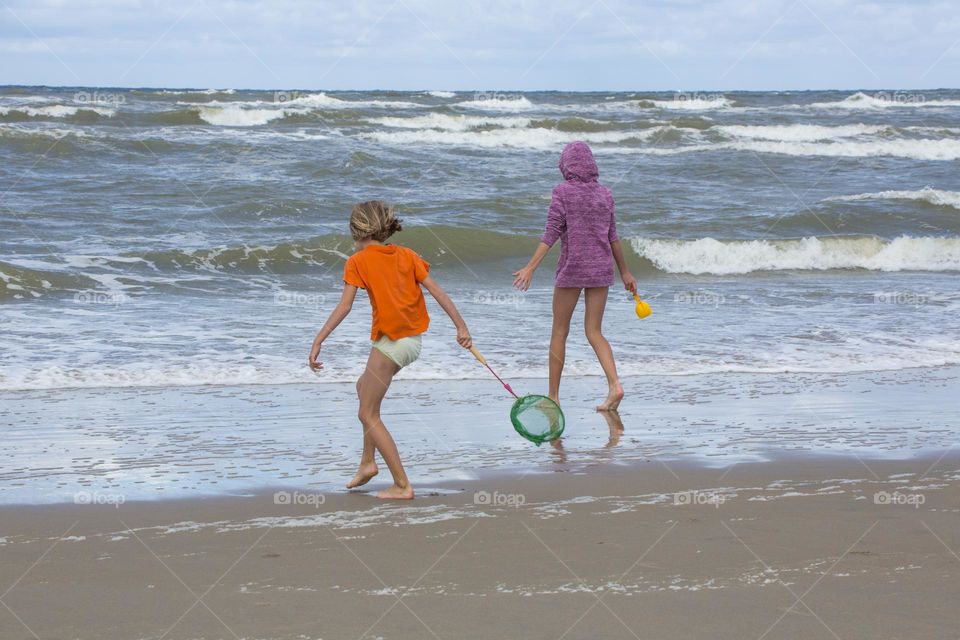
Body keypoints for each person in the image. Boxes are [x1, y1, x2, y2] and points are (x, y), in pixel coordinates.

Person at [309, 201, 472, 499]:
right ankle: (367, 462)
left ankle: (401, 484)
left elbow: (345, 306)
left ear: (355, 230)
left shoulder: (357, 261)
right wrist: (461, 327)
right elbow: (437, 290)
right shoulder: (407, 255)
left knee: (367, 413)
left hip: (394, 343)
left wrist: (319, 339)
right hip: (408, 341)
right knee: (363, 389)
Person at [512, 141, 637, 411]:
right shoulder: (605, 194)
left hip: (573, 267)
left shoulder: (562, 192)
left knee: (559, 330)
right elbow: (613, 237)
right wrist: (625, 271)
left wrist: (530, 267)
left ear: (566, 165)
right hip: (601, 269)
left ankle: (554, 397)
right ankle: (615, 385)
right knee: (594, 331)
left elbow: (551, 233)